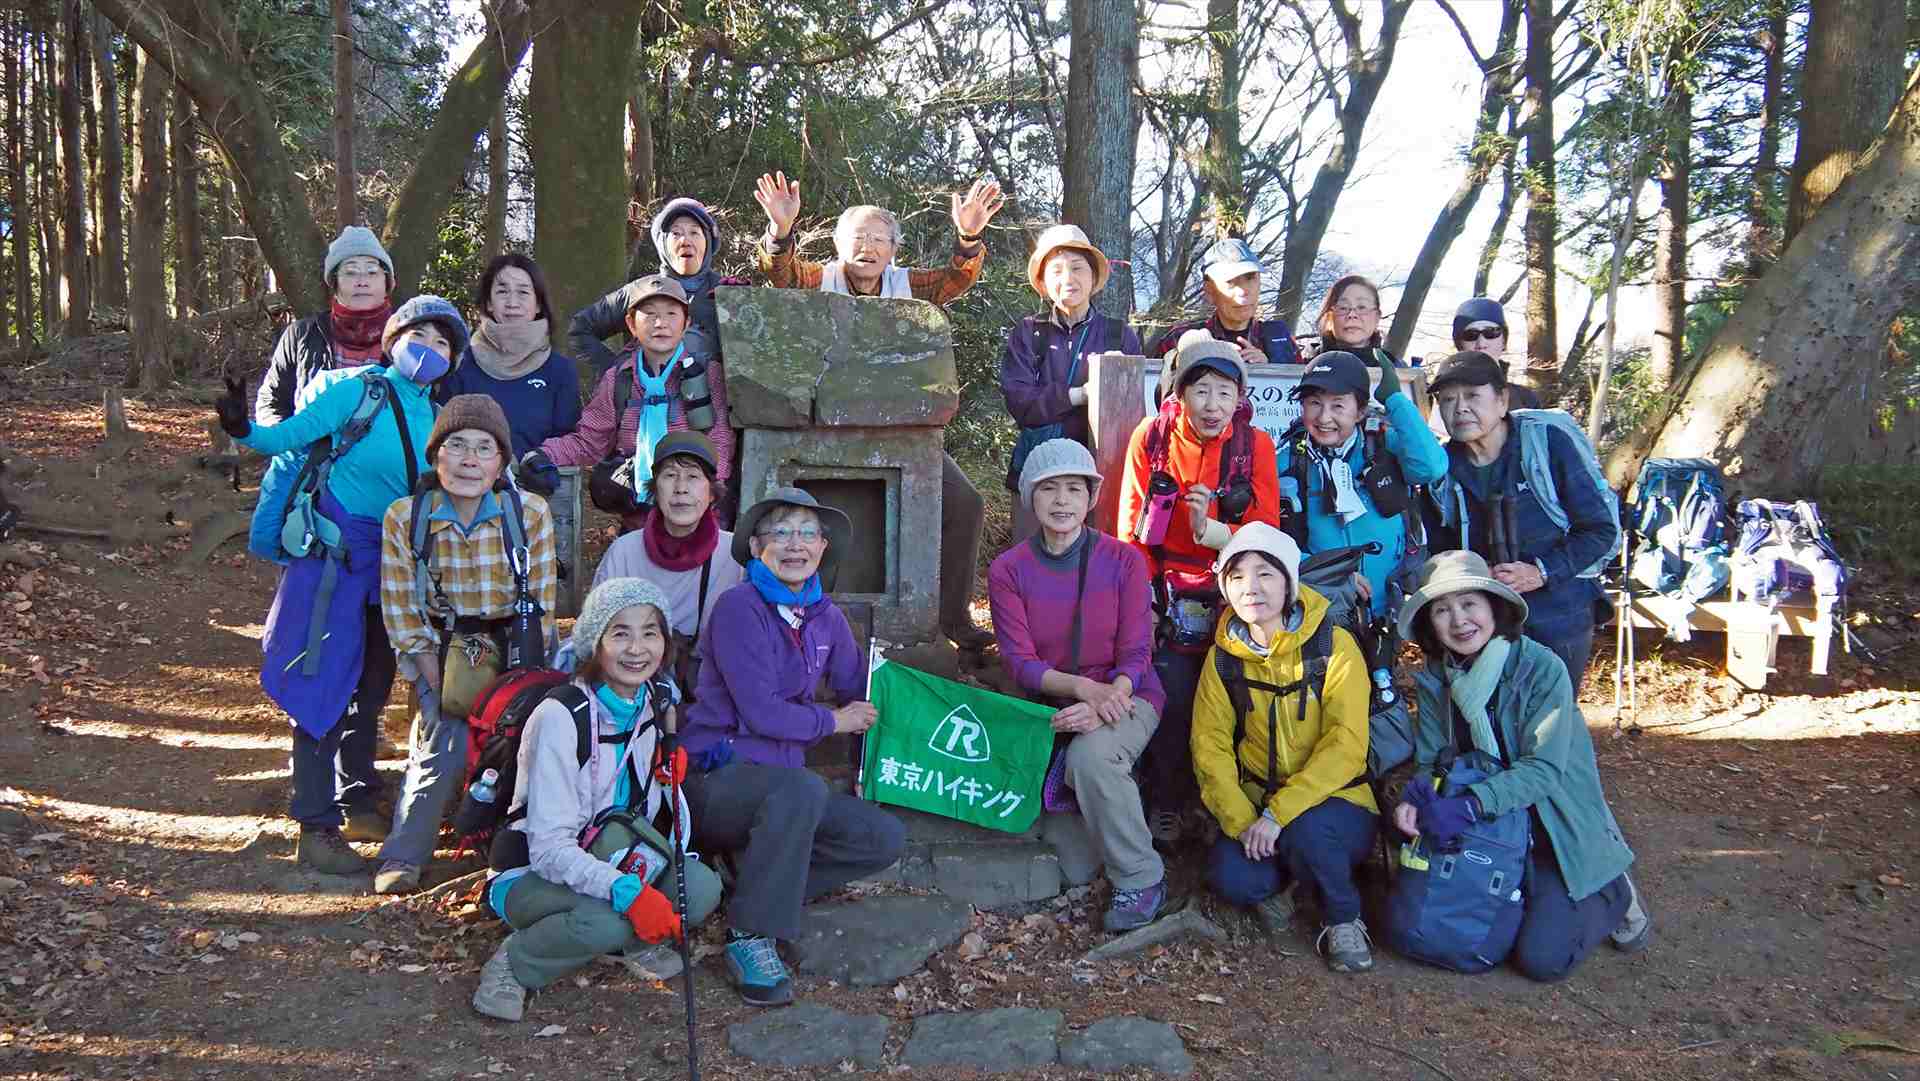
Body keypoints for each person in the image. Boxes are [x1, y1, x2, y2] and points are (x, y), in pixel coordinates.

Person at [215, 296, 469, 876]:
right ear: (394, 339)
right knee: (322, 685)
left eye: (443, 343)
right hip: (331, 562)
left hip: (393, 566)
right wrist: (241, 427)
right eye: (420, 336)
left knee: (372, 687)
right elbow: (288, 438)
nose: (429, 349)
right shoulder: (357, 392)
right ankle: (315, 826)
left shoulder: (438, 415)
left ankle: (356, 801)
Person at [751, 171, 1007, 650]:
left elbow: (953, 281)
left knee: (965, 504)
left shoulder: (905, 284)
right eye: (857, 237)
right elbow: (781, 274)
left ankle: (952, 619)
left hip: (902, 433)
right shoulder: (821, 279)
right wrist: (781, 231)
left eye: (878, 239)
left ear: (893, 249)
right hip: (823, 429)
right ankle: (786, 615)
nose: (867, 247)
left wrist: (968, 238)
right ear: (838, 244)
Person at [679, 488, 908, 1006]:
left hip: (784, 793)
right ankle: (750, 933)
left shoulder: (825, 616)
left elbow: (860, 686)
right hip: (718, 778)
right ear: (756, 546)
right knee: (801, 789)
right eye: (780, 532)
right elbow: (761, 712)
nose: (795, 544)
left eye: (808, 533)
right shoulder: (739, 608)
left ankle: (751, 883)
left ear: (823, 547)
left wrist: (912, 702)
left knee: (881, 837)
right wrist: (834, 721)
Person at [471, 577, 724, 1022]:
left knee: (701, 888)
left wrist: (664, 776)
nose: (637, 649)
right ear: (595, 643)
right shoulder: (561, 716)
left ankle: (632, 941)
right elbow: (549, 850)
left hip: (613, 852)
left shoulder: (652, 699)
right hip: (533, 870)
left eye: (650, 632)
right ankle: (514, 963)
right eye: (620, 633)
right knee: (607, 919)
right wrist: (628, 893)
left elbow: (637, 812)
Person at [1390, 550, 1650, 981]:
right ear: (1430, 624)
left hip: (1550, 820)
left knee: (1541, 960)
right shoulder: (1438, 676)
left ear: (1495, 608)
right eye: (1442, 610)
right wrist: (1419, 796)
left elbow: (1543, 770)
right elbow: (1432, 758)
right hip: (1491, 821)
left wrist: (1471, 804)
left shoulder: (1540, 668)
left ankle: (1611, 887)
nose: (1459, 621)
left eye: (1469, 604)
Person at [373, 395, 558, 895]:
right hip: (441, 645)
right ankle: (404, 853)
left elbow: (540, 607)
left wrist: (513, 689)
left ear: (501, 462)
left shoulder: (529, 513)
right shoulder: (407, 517)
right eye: (456, 445)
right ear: (436, 455)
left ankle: (516, 849)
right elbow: (401, 609)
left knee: (527, 740)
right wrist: (440, 682)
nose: (469, 460)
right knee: (446, 739)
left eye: (484, 448)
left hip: (515, 646)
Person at [987, 439, 1167, 932]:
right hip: (1049, 700)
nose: (1062, 500)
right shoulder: (1008, 570)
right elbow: (1020, 662)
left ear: (1091, 497)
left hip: (1130, 692)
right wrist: (1085, 692)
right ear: (1031, 497)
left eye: (1074, 488)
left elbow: (1137, 653)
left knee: (1090, 757)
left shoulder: (1124, 560)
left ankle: (1141, 877)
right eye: (1049, 489)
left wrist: (1108, 699)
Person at [1116, 331, 1280, 844]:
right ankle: (1167, 799)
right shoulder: (1152, 438)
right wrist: (1142, 600)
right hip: (1166, 587)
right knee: (1172, 696)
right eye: (1201, 390)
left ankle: (1222, 803)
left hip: (1236, 587)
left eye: (1225, 392)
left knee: (1235, 699)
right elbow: (1130, 528)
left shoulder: (1254, 446)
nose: (1213, 405)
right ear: (1180, 392)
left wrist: (1212, 530)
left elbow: (1268, 532)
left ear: (1240, 397)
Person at [1191, 523, 1377, 972]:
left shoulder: (1333, 645)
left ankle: (1343, 917)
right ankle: (1300, 881)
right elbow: (1209, 745)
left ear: (1289, 582)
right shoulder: (1224, 657)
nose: (1250, 588)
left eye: (1265, 574)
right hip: (1258, 804)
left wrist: (1279, 815)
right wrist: (1242, 822)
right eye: (1237, 576)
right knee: (1232, 878)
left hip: (1337, 801)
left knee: (1307, 832)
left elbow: (1347, 744)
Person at [1421, 351, 1620, 686]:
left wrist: (1541, 571)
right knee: (1486, 714)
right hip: (1480, 626)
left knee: (1553, 712)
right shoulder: (1439, 468)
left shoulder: (1547, 445)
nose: (1460, 408)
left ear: (1502, 401)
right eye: (1448, 399)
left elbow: (1599, 531)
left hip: (1559, 614)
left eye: (1472, 396)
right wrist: (1471, 572)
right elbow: (1438, 551)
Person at [526, 275, 733, 533]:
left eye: (671, 314)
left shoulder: (708, 374)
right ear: (631, 324)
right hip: (639, 522)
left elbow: (721, 442)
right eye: (649, 314)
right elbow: (589, 441)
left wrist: (705, 493)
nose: (660, 323)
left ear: (686, 323)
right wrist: (544, 454)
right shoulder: (619, 379)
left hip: (698, 517)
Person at [1273, 349, 1446, 621]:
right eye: (1314, 403)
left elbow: (1431, 467)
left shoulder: (1385, 445)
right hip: (1323, 608)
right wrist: (1330, 576)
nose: (1324, 417)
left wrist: (1394, 399)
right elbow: (1270, 539)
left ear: (1360, 411)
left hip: (1391, 606)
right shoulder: (1288, 460)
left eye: (1338, 406)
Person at [997, 225, 1143, 541]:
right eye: (1057, 271)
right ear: (1043, 282)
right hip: (1038, 470)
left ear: (1093, 277)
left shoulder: (1118, 336)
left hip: (1102, 473)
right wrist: (1080, 395)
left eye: (1077, 268)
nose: (1068, 278)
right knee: (1032, 559)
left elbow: (1136, 410)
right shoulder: (1029, 333)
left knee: (1098, 558)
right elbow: (1020, 402)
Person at [591, 430, 745, 667]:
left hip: (709, 679)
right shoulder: (624, 553)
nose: (681, 488)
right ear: (654, 489)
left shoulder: (735, 555)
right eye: (670, 475)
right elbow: (595, 632)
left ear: (712, 493)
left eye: (693, 476)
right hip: (634, 673)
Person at [566, 197, 745, 380]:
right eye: (676, 233)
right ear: (662, 243)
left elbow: (754, 361)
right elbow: (579, 329)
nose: (685, 240)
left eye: (694, 232)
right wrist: (618, 374)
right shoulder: (640, 291)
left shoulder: (730, 292)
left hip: (712, 396)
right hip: (650, 397)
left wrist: (746, 306)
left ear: (708, 242)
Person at [436, 254, 582, 458]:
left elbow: (569, 442)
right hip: (467, 474)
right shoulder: (459, 362)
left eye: (523, 292)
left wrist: (537, 461)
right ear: (489, 303)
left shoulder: (560, 371)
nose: (512, 303)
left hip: (536, 477)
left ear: (538, 304)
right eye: (502, 291)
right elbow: (441, 434)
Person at [253, 226, 397, 424]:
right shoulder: (301, 335)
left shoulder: (412, 335)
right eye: (350, 272)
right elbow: (272, 401)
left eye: (372, 272)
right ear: (334, 284)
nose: (362, 281)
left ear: (388, 282)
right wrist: (288, 438)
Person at [1151, 237, 1299, 367]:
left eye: (1250, 278)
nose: (1243, 291)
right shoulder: (1179, 340)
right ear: (1209, 290)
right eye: (1230, 282)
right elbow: (1155, 386)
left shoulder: (1281, 339)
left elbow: (1302, 387)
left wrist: (1268, 370)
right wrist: (1196, 364)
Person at [1449, 297, 1541, 409]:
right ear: (1459, 344)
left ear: (1504, 340)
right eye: (1471, 335)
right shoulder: (1441, 396)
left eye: (1491, 332)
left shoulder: (1526, 399)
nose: (1481, 343)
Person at [1312, 274, 1397, 368]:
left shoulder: (1397, 368)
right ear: (1329, 316)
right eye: (1343, 308)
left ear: (1377, 317)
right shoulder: (1307, 364)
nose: (1352, 315)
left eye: (1362, 307)